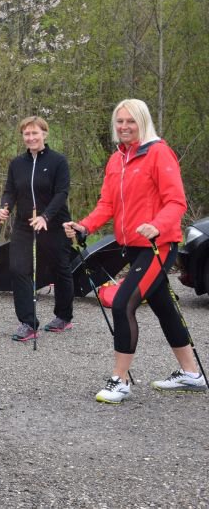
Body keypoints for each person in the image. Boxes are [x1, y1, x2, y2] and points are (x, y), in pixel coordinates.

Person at [64, 99, 205, 403]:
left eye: (131, 121)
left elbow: (176, 202)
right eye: (120, 121)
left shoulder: (158, 153)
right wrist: (85, 226)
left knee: (122, 304)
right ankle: (191, 374)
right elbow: (107, 205)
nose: (125, 127)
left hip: (157, 246)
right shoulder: (117, 160)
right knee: (164, 306)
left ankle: (121, 380)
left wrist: (156, 225)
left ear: (143, 122)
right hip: (131, 246)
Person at [0, 116, 74, 342]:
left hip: (54, 221)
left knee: (60, 268)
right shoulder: (16, 164)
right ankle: (28, 323)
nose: (30, 138)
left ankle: (63, 316)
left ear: (44, 134)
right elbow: (10, 190)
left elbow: (62, 193)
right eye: (26, 134)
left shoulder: (58, 161)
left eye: (35, 133)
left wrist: (46, 216)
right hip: (24, 223)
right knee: (18, 268)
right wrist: (5, 208)